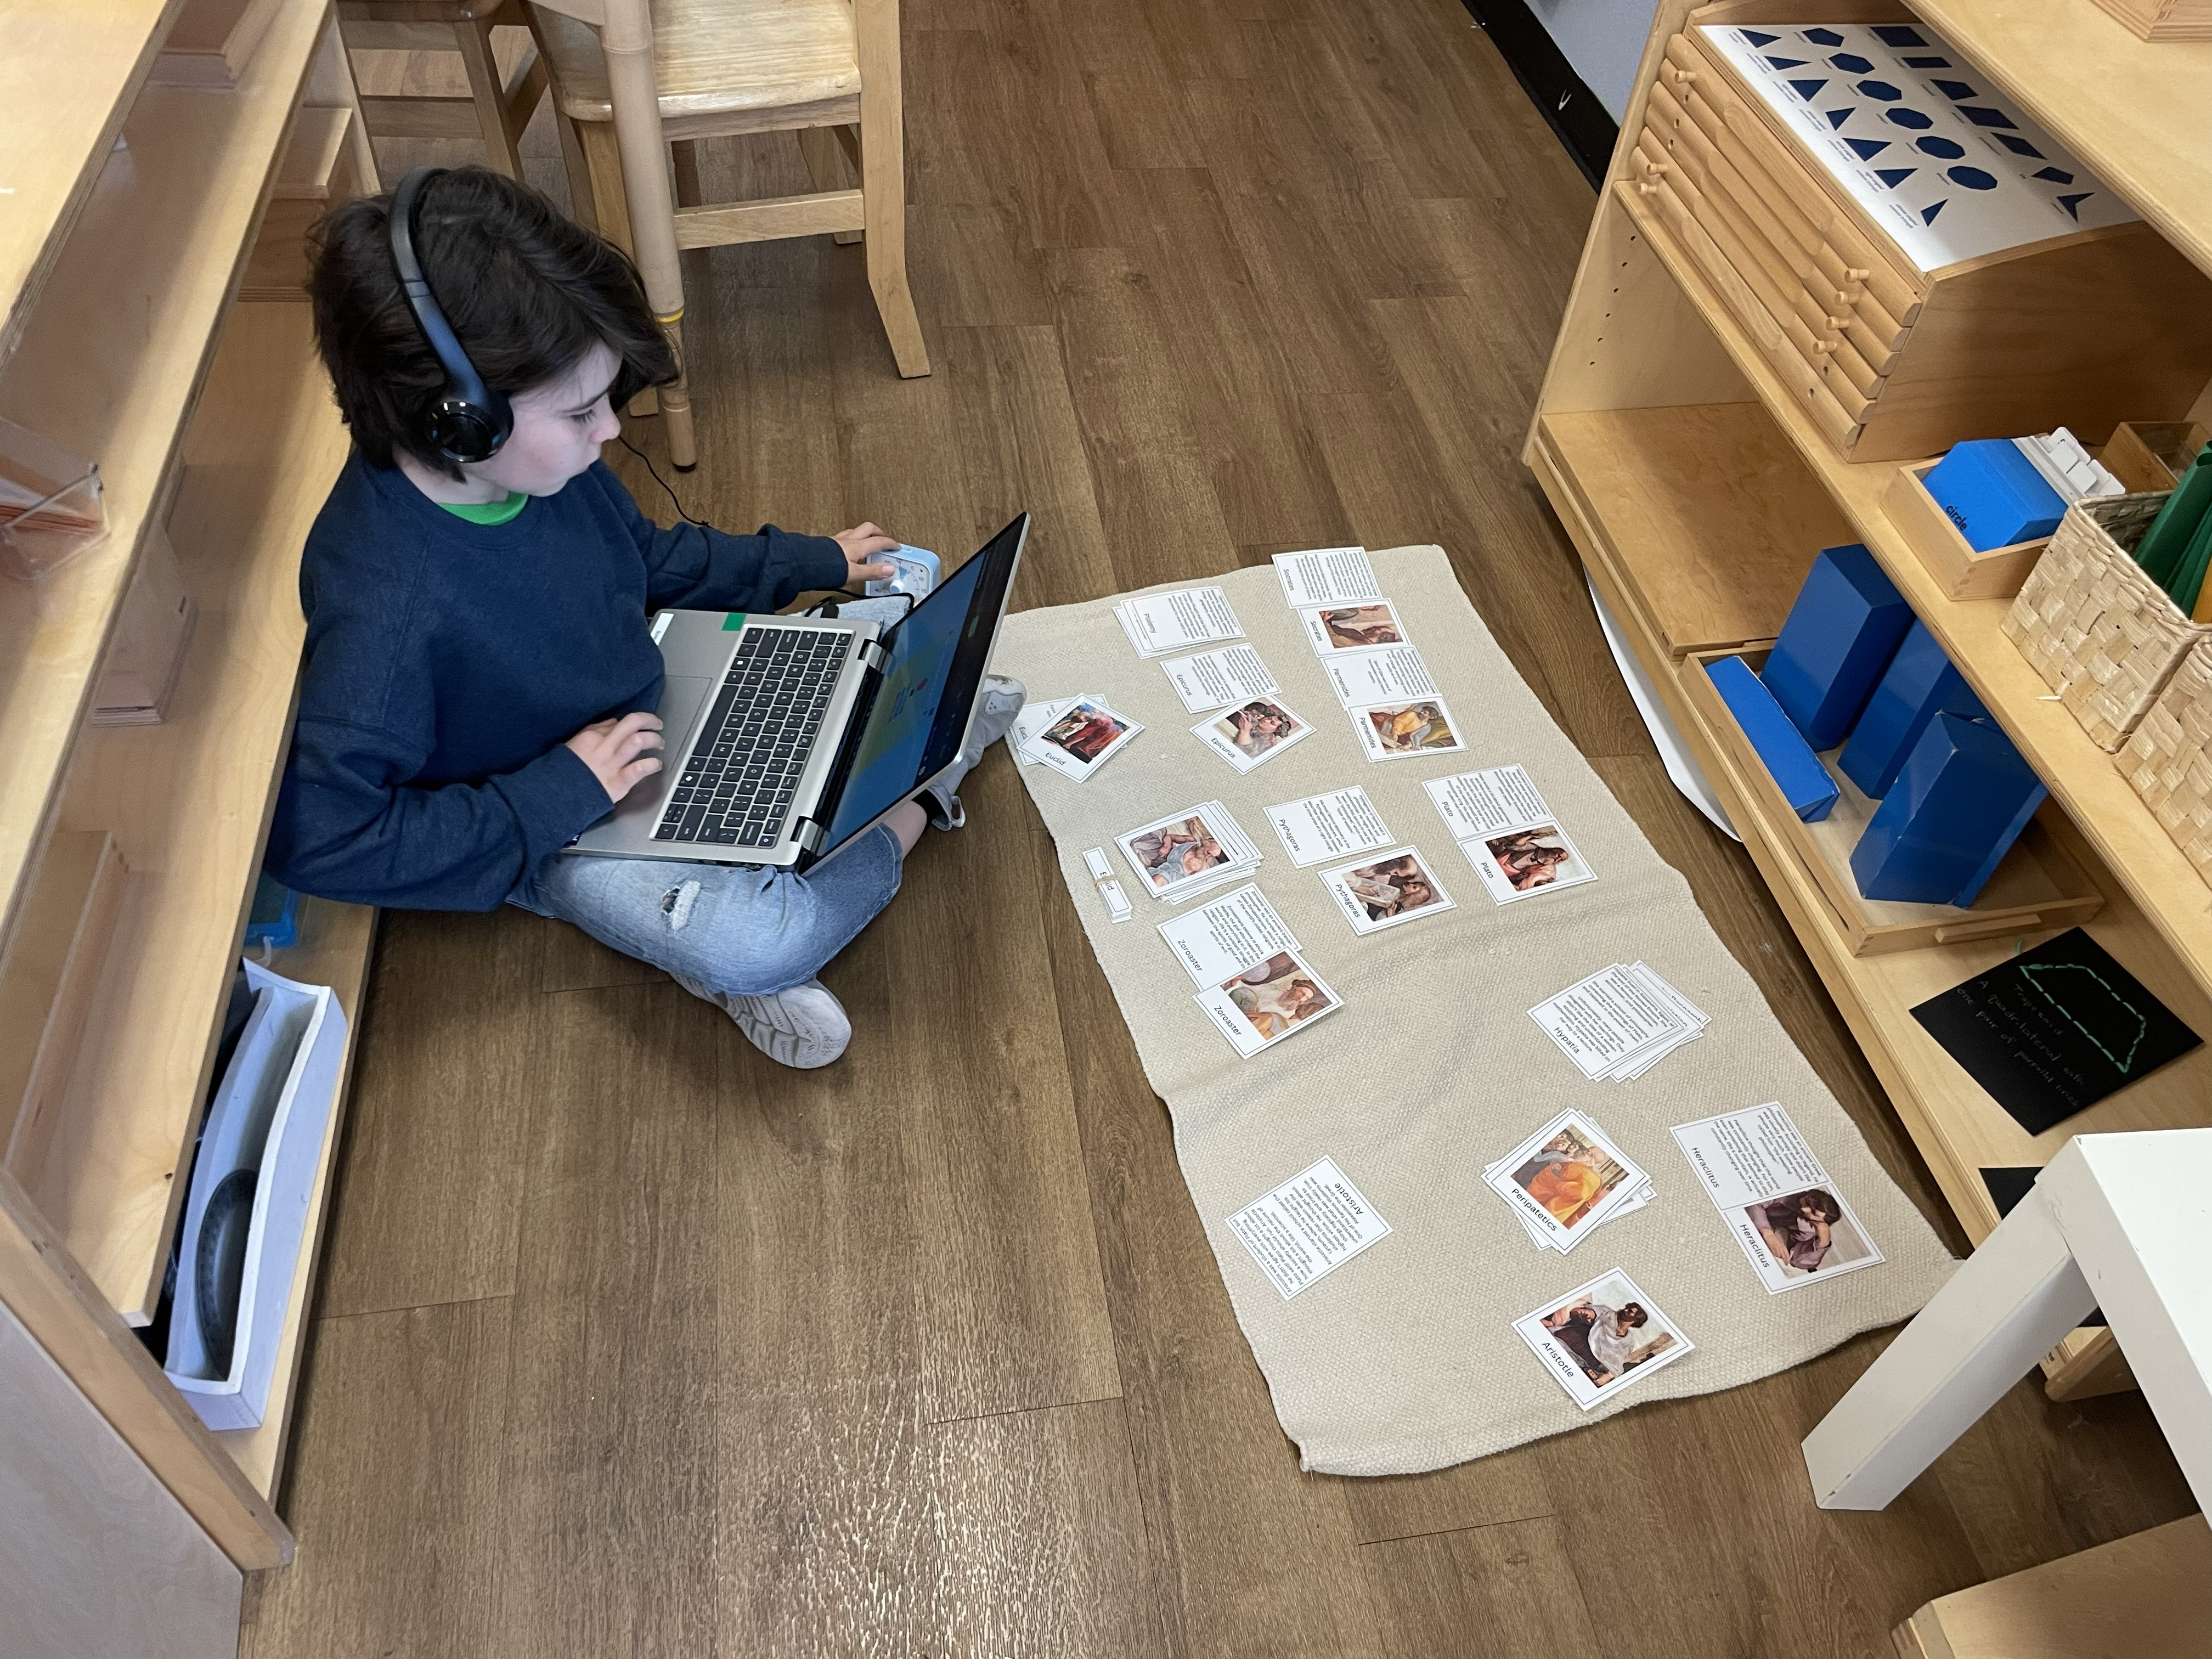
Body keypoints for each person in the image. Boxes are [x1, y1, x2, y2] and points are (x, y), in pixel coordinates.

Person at [266, 166, 1024, 1070]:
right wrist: (554, 793)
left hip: (667, 684)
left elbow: (650, 560)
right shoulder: (385, 614)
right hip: (564, 823)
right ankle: (925, 783)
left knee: (874, 626)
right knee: (757, 942)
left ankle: (851, 784)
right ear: (458, 423)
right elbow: (324, 839)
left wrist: (805, 560)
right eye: (582, 410)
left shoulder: (535, 468)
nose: (610, 435)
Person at [1753, 1189, 1844, 1273]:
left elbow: (1798, 1261)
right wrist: (1767, 1232)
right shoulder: (1792, 1194)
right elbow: (1754, 1203)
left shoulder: (1810, 1230)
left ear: (1822, 1223)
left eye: (1814, 1213)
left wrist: (1823, 1242)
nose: (1804, 1209)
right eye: (1808, 1202)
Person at [1585, 1300, 1652, 1381]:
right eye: (1627, 1308)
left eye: (1630, 1311)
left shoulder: (1628, 1342)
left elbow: (1617, 1364)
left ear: (1636, 1320)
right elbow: (1590, 1312)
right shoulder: (1608, 1315)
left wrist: (1609, 1376)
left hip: (1598, 1366)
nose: (1625, 1311)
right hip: (1585, 1347)